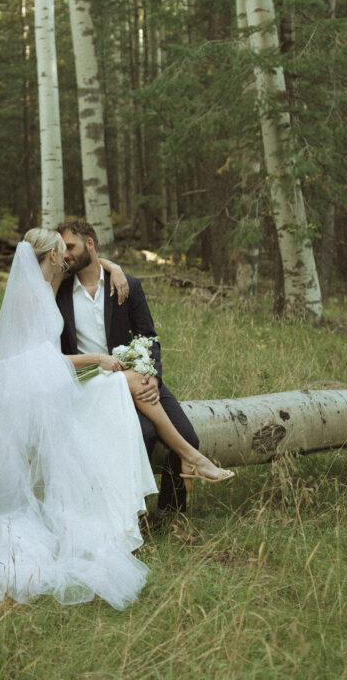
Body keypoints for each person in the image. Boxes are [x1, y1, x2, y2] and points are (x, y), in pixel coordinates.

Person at [0, 228, 156, 609]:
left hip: (45, 385)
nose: (65, 256)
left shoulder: (44, 286)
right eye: (61, 250)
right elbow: (40, 358)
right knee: (73, 455)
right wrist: (96, 359)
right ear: (53, 256)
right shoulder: (31, 295)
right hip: (33, 388)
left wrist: (114, 266)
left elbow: (89, 262)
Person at [56, 219, 234, 519]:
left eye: (71, 246)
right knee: (145, 432)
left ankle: (169, 514)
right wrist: (113, 266)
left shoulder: (128, 286)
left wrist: (152, 374)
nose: (66, 254)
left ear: (89, 244)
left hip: (137, 377)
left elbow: (148, 337)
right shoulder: (60, 291)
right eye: (62, 249)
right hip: (92, 384)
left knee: (188, 436)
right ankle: (130, 515)